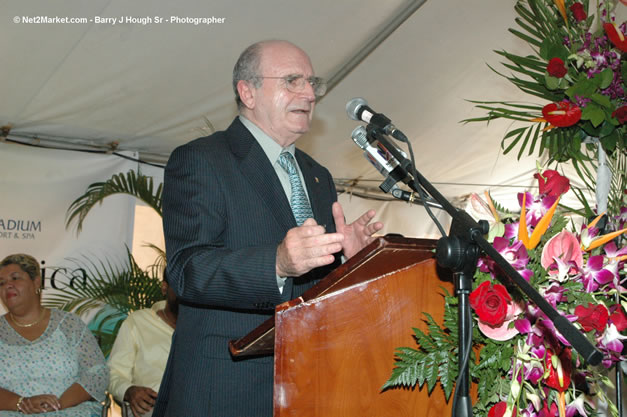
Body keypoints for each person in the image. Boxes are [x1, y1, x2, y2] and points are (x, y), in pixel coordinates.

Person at [153, 40, 383, 417]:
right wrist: (275, 263)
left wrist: (346, 260)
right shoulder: (202, 160)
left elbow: (312, 284)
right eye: (292, 80)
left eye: (312, 83)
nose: (309, 93)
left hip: (307, 381)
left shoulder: (318, 176)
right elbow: (187, 270)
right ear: (248, 92)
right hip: (225, 384)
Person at [0, 253, 108, 416]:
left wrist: (58, 405)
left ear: (37, 282)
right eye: (1, 283)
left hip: (69, 411)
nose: (7, 285)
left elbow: (97, 373)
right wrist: (22, 403)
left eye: (15, 278)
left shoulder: (70, 325)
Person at [108, 274, 178, 417]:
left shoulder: (208, 327)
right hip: (152, 407)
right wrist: (129, 391)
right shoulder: (138, 322)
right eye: (180, 286)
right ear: (165, 288)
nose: (187, 293)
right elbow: (114, 373)